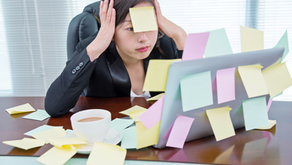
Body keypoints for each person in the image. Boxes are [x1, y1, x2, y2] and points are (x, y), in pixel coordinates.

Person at [45, 0, 187, 117]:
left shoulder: (163, 44)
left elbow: (193, 97)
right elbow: (54, 107)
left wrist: (182, 37)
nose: (144, 39)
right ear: (111, 30)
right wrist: (94, 49)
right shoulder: (92, 48)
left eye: (149, 25)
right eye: (131, 28)